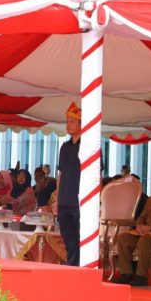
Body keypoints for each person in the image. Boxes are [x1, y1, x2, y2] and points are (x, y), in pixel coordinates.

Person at [53, 101, 82, 267]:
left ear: (81, 124)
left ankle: (82, 266)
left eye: (72, 122)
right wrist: (57, 199)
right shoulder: (64, 147)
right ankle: (72, 264)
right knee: (68, 236)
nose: (68, 125)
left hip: (80, 200)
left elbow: (97, 176)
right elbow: (60, 174)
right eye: (67, 122)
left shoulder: (89, 145)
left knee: (81, 235)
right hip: (65, 199)